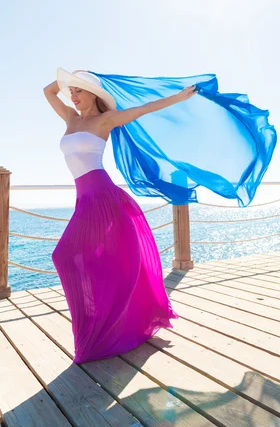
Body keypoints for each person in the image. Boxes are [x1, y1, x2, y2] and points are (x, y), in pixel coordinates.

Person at [44, 68, 197, 364]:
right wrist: (68, 79)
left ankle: (100, 330)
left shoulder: (106, 120)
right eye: (71, 92)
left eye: (78, 91)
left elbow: (147, 108)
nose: (73, 97)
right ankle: (101, 323)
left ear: (94, 94)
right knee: (85, 259)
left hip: (101, 196)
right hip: (84, 198)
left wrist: (178, 97)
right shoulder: (71, 119)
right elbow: (48, 92)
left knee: (64, 255)